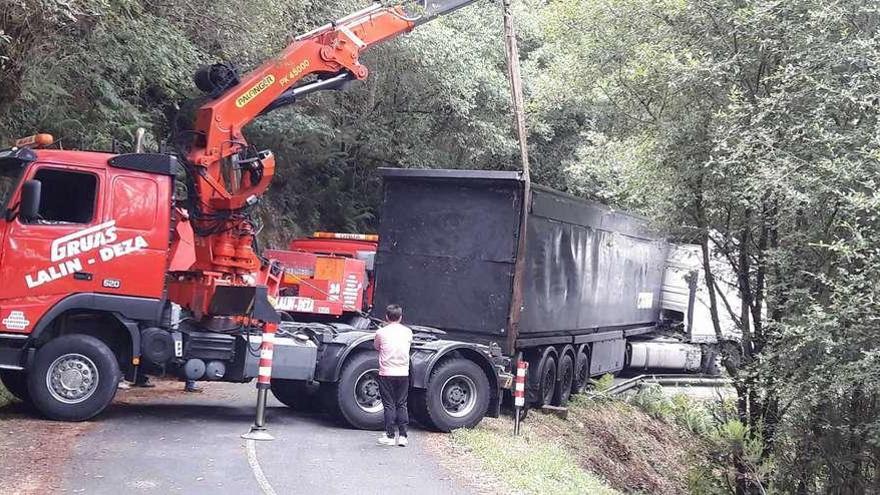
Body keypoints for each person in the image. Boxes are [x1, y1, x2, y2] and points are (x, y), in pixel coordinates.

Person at [374, 304, 413, 447]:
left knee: (389, 405)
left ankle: (390, 436)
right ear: (401, 317)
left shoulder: (381, 332)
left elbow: (377, 347)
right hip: (403, 372)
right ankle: (403, 436)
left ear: (386, 317)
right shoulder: (408, 332)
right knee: (402, 403)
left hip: (386, 373)